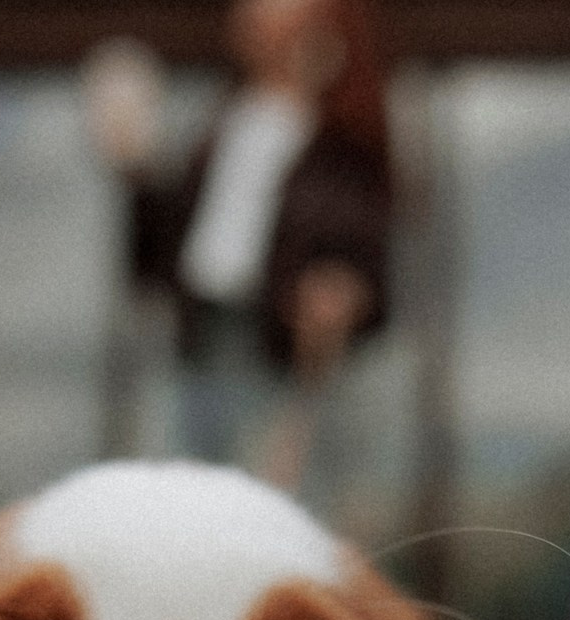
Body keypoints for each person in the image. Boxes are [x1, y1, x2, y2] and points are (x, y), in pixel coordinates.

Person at [87, 0, 392, 498]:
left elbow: (361, 239)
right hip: (204, 328)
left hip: (280, 340)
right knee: (193, 488)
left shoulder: (341, 137)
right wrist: (135, 167)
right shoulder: (226, 119)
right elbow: (168, 235)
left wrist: (341, 287)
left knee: (280, 494)